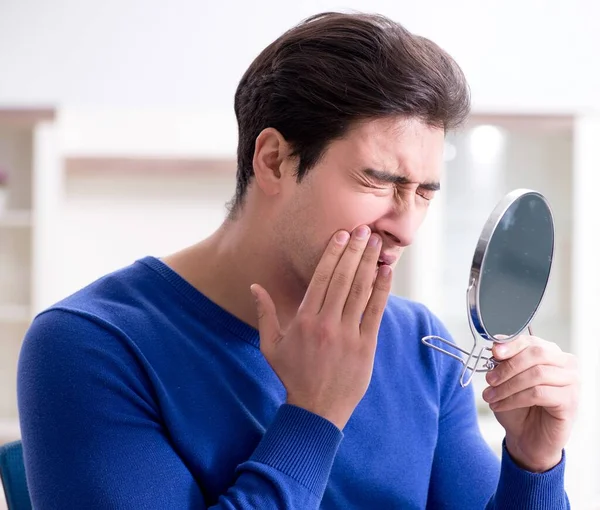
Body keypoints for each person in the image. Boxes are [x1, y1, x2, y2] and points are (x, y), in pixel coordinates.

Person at [17, 11, 579, 509]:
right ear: (275, 160)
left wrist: (533, 464)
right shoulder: (89, 345)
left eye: (425, 193)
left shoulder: (419, 346)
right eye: (377, 181)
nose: (405, 226)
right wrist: (314, 414)